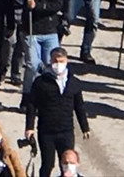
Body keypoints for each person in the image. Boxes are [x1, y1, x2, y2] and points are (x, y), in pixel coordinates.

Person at [24, 47, 90, 177]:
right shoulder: (41, 82)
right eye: (55, 61)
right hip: (47, 131)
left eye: (61, 61)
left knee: (67, 164)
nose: (58, 64)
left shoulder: (74, 83)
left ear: (66, 61)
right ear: (50, 61)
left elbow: (79, 106)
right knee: (47, 164)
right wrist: (29, 127)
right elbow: (31, 105)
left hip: (66, 131)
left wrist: (85, 127)